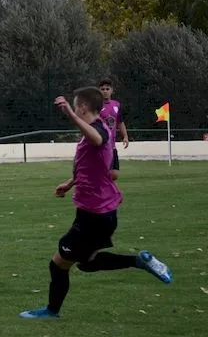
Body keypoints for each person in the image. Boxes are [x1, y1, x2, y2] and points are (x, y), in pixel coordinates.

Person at [19, 86, 172, 320]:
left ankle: (51, 311)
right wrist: (71, 183)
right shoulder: (100, 128)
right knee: (87, 263)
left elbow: (97, 140)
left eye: (75, 105)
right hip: (102, 213)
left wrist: (70, 115)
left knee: (58, 263)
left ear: (82, 107)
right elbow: (94, 166)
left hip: (94, 215)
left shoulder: (99, 130)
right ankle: (139, 261)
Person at [98, 78, 129, 181]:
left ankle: (104, 190)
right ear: (99, 91)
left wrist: (125, 136)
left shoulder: (116, 105)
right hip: (101, 145)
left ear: (112, 90)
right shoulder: (96, 105)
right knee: (104, 171)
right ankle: (105, 193)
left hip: (112, 145)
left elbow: (120, 122)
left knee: (114, 174)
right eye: (102, 89)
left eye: (107, 88)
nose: (105, 91)